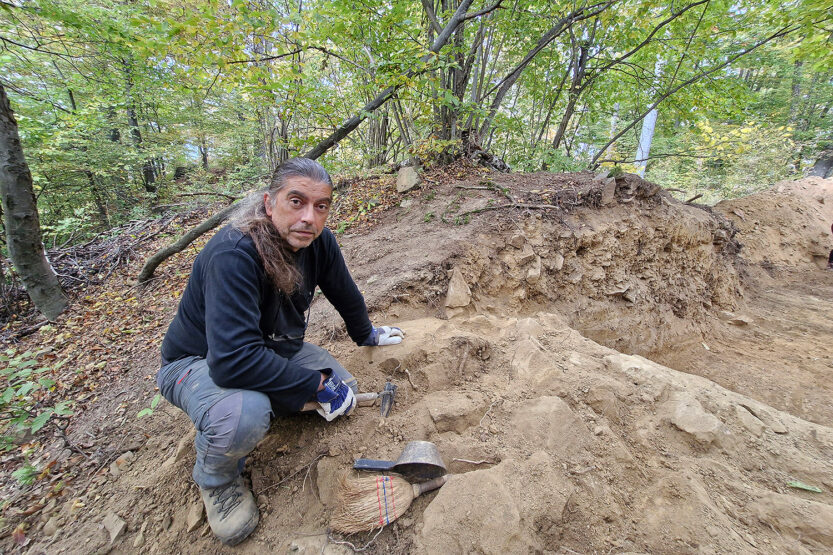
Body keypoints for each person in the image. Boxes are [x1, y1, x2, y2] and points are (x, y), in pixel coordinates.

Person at [156, 157, 404, 545]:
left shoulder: (319, 242)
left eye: (321, 206)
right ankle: (217, 480)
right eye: (296, 201)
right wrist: (314, 385)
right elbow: (231, 361)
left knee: (345, 387)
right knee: (246, 412)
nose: (309, 217)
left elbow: (344, 292)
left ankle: (258, 405)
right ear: (269, 203)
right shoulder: (234, 253)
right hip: (197, 361)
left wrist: (367, 334)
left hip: (270, 346)